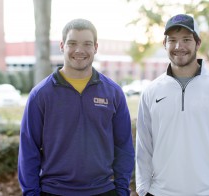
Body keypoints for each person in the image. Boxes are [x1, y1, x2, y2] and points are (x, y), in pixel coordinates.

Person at [18, 18, 135, 196]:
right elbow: (29, 149)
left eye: (87, 44)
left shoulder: (113, 92)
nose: (79, 50)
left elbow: (124, 145)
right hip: (53, 191)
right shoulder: (41, 94)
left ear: (95, 47)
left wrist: (121, 190)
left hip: (103, 190)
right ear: (62, 46)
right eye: (72, 43)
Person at [135, 14, 209, 196]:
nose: (179, 46)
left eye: (186, 39)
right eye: (173, 40)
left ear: (198, 43)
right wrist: (143, 188)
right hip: (160, 192)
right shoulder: (150, 91)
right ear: (165, 44)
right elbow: (144, 147)